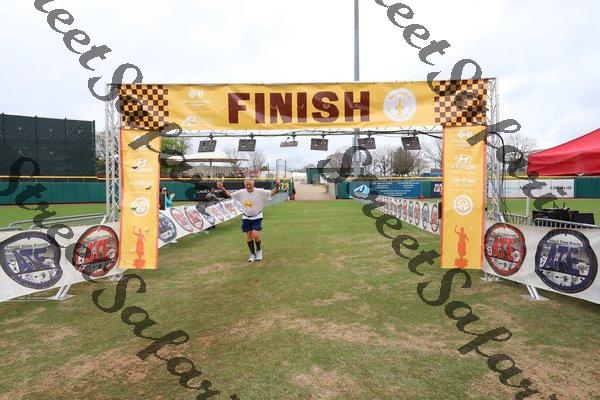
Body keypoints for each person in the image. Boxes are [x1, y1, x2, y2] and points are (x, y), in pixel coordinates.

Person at [217, 178, 280, 262]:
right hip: (246, 217)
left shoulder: (260, 192)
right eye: (247, 185)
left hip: (257, 216)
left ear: (253, 184)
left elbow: (272, 193)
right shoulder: (241, 192)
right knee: (249, 235)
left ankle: (259, 250)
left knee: (255, 234)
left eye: (250, 184)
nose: (248, 186)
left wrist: (277, 186)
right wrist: (222, 188)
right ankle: (252, 254)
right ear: (244, 185)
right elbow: (230, 195)